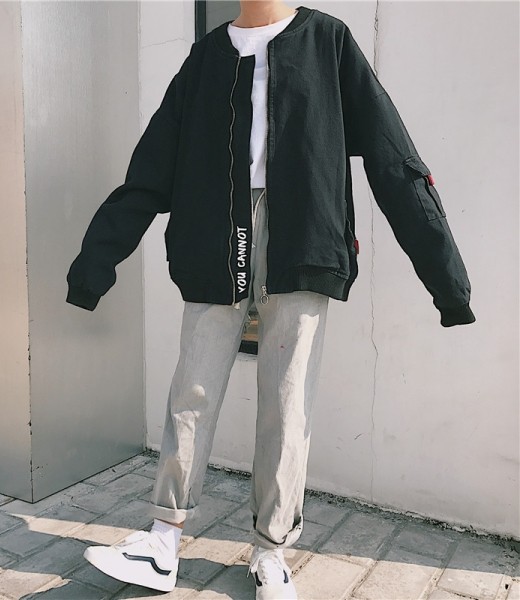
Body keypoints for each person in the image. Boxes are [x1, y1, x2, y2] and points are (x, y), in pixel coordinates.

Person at [66, 2, 476, 598]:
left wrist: (447, 281)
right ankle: (162, 541)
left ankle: (271, 550)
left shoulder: (329, 41)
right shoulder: (207, 57)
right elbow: (151, 167)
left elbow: (393, 158)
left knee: (287, 399)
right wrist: (94, 266)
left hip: (303, 237)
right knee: (192, 388)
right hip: (216, 238)